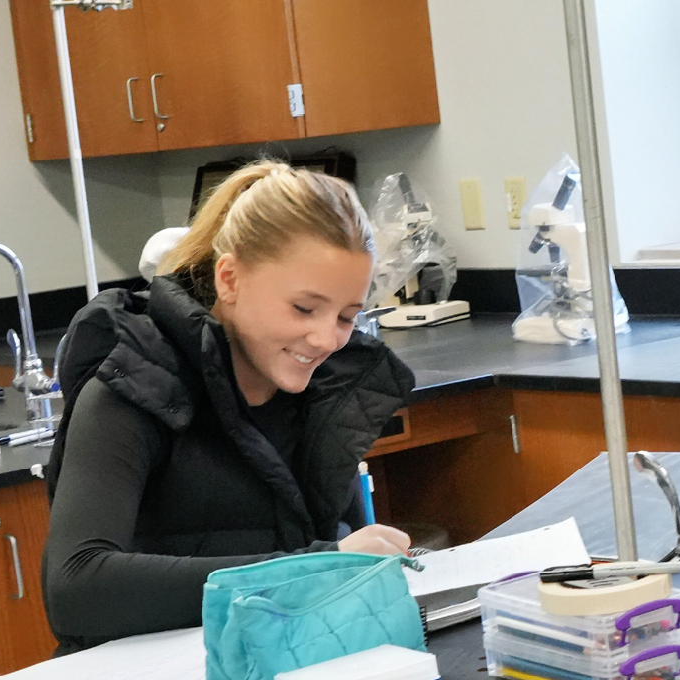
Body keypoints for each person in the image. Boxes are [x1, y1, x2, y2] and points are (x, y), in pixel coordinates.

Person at [40, 161, 417, 653]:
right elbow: (77, 586)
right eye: (304, 308)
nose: (327, 339)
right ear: (230, 279)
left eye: (348, 316)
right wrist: (315, 569)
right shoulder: (131, 386)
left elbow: (340, 545)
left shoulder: (325, 394)